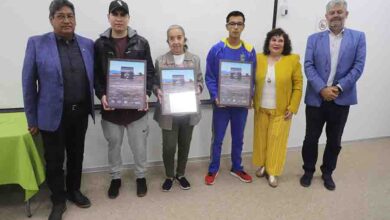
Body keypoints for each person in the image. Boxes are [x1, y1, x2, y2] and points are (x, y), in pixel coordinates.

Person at [22, 0, 94, 219]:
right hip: (51, 115)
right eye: (60, 16)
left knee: (76, 155)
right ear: (51, 19)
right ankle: (58, 199)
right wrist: (32, 118)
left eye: (70, 16)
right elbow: (28, 83)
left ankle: (74, 191)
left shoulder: (87, 44)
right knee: (54, 160)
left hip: (79, 112)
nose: (66, 20)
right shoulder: (37, 43)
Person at [300, 0, 366, 191]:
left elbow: (358, 66)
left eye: (339, 11)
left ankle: (327, 172)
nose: (335, 15)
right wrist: (322, 88)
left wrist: (337, 88)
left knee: (334, 140)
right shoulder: (314, 39)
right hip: (316, 97)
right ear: (326, 16)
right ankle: (308, 170)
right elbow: (308, 65)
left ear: (346, 14)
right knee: (310, 138)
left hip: (341, 98)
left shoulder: (358, 38)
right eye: (332, 12)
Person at [94, 0, 155, 198]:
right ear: (108, 17)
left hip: (136, 110)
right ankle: (115, 178)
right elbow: (95, 76)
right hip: (111, 111)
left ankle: (141, 177)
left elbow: (150, 72)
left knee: (139, 147)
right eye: (115, 14)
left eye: (123, 15)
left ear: (128, 18)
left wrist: (146, 94)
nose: (119, 19)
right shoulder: (99, 44)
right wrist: (101, 94)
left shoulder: (141, 42)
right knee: (114, 147)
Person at [204, 11, 256, 185]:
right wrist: (215, 96)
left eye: (239, 24)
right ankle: (213, 168)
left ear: (243, 27)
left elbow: (253, 78)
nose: (235, 27)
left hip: (240, 105)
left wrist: (250, 96)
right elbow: (210, 76)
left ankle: (237, 167)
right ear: (226, 26)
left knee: (238, 137)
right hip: (222, 104)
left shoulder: (249, 51)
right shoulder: (217, 49)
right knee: (217, 138)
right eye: (232, 23)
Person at [153, 25, 204, 191]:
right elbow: (154, 83)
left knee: (185, 144)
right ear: (167, 41)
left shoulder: (194, 59)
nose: (176, 41)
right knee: (168, 146)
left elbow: (200, 81)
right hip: (168, 113)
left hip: (188, 111)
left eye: (179, 37)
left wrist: (198, 88)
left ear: (184, 39)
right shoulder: (160, 61)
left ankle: (181, 174)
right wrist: (157, 91)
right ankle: (169, 175)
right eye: (172, 38)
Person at [252, 28, 303, 187]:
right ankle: (262, 165)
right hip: (261, 108)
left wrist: (293, 106)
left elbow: (298, 86)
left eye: (280, 40)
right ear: (268, 42)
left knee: (277, 141)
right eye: (274, 39)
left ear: (285, 43)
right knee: (261, 139)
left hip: (282, 111)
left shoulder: (292, 60)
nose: (277, 43)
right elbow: (248, 80)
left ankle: (272, 171)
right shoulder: (258, 58)